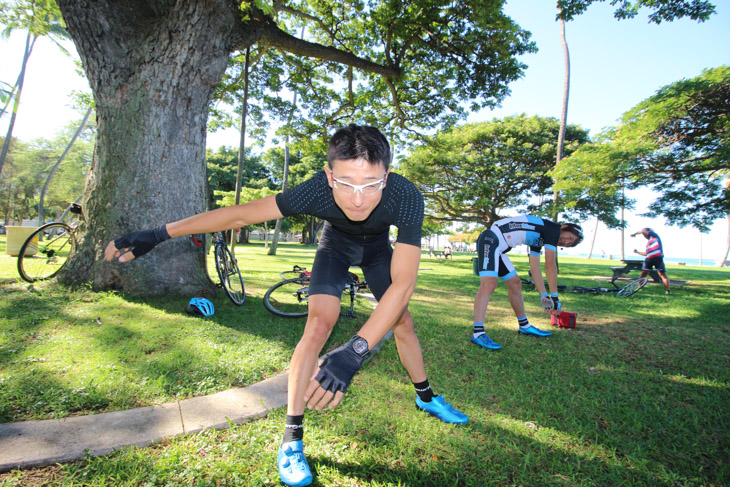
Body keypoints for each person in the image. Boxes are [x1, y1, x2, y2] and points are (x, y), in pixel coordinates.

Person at [104, 124, 467, 487]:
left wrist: (354, 351)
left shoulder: (405, 196)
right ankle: (292, 439)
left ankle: (426, 397)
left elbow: (403, 285)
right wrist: (156, 234)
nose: (358, 198)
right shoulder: (316, 190)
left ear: (386, 176)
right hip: (335, 248)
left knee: (402, 322)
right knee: (318, 324)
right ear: (328, 175)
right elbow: (240, 215)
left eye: (371, 184)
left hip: (376, 253)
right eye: (345, 182)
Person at [471, 215, 584, 350]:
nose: (565, 242)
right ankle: (478, 333)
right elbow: (550, 265)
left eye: (570, 244)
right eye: (569, 238)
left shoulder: (541, 237)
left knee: (515, 284)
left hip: (499, 248)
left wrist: (544, 296)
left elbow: (534, 268)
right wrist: (554, 296)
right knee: (489, 283)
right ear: (564, 227)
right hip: (490, 239)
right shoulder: (553, 230)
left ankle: (524, 325)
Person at [631, 227, 671, 294]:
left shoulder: (655, 235)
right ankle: (639, 287)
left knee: (662, 274)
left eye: (644, 234)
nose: (644, 235)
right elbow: (646, 253)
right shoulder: (649, 243)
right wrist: (637, 252)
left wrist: (635, 233)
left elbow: (643, 231)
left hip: (658, 258)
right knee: (643, 273)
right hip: (649, 259)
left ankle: (668, 291)